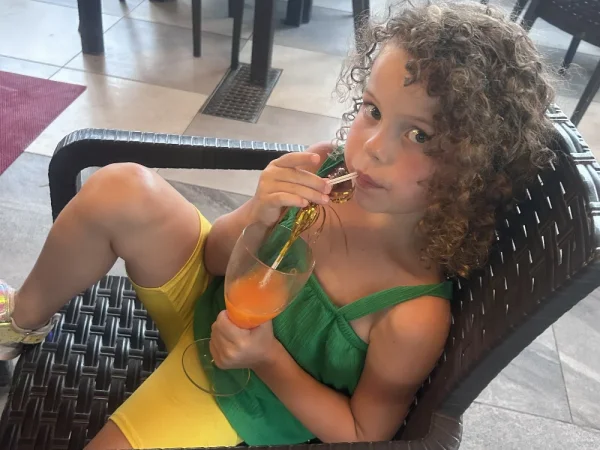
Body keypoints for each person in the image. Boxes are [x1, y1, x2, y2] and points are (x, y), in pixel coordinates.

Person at [0, 1, 556, 448]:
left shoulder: (412, 314)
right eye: (373, 110)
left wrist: (265, 358)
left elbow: (364, 432)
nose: (372, 148)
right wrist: (262, 213)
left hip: (248, 394)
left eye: (419, 135)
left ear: (472, 167)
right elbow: (215, 259)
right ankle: (19, 323)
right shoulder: (327, 174)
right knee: (121, 186)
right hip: (209, 308)